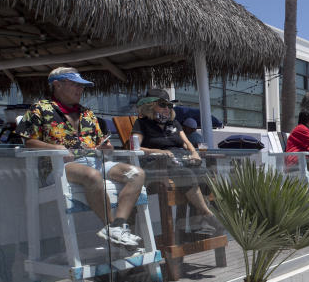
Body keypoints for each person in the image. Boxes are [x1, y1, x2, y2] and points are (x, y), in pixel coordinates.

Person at [17, 67, 145, 249]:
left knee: (136, 173)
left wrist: (106, 148)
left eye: (82, 86)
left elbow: (103, 146)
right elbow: (28, 142)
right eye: (74, 85)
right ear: (57, 85)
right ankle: (110, 226)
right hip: (59, 168)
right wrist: (55, 148)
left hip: (94, 162)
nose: (80, 89)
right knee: (92, 176)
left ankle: (117, 227)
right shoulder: (40, 109)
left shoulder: (87, 114)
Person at [131, 89, 220, 236]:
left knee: (204, 173)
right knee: (185, 173)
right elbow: (135, 148)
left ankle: (195, 223)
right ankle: (207, 215)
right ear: (150, 106)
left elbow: (186, 142)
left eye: (169, 105)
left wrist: (193, 153)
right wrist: (159, 152)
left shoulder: (174, 123)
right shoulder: (142, 124)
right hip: (156, 165)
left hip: (178, 160)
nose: (167, 108)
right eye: (163, 104)